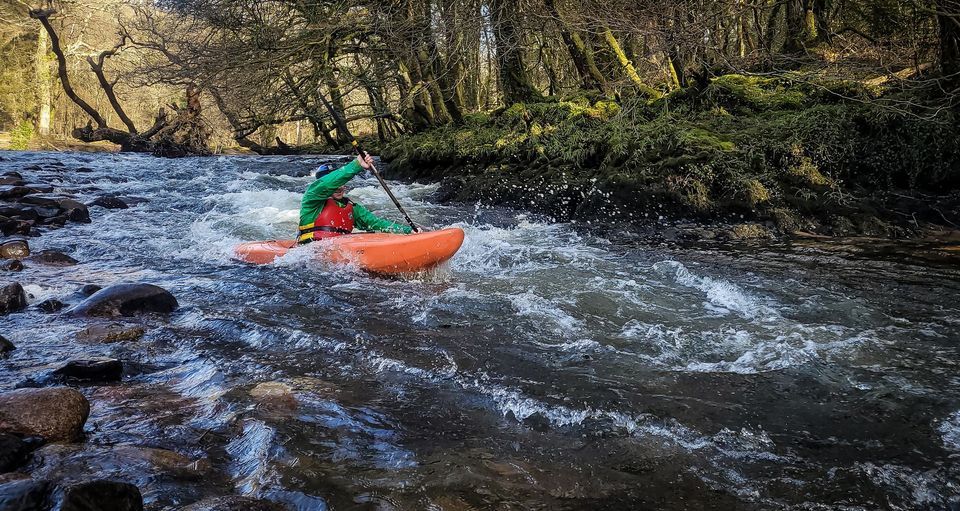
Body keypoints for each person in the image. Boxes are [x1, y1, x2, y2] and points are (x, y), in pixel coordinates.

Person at [297, 154, 413, 244]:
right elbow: (327, 184)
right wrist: (357, 164)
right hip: (309, 253)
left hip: (342, 254)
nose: (339, 187)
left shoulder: (351, 208)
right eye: (336, 184)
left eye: (342, 183)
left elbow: (377, 224)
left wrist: (408, 231)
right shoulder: (311, 199)